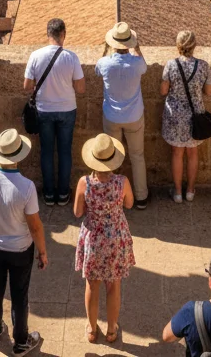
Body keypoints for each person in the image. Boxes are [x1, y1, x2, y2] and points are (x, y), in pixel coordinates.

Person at [0, 129, 49, 355]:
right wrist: (42, 252)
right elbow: (34, 226)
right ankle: (21, 342)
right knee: (19, 295)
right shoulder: (26, 187)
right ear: (19, 156)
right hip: (20, 250)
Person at [74, 133, 135, 344]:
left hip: (94, 239)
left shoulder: (84, 183)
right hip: (115, 237)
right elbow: (129, 204)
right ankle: (111, 330)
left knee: (92, 285)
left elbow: (77, 211)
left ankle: (92, 330)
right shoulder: (122, 182)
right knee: (114, 285)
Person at [23, 18, 85, 205]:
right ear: (63, 34)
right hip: (67, 110)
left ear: (48, 34)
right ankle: (64, 193)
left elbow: (27, 86)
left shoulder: (35, 55)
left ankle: (49, 194)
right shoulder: (71, 57)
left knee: (47, 152)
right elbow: (81, 88)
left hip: (44, 110)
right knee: (65, 151)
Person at [95, 22, 149, 208]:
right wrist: (138, 48)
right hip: (134, 116)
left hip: (112, 116)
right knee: (137, 156)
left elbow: (97, 69)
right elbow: (144, 66)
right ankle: (141, 197)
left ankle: (112, 197)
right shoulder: (137, 63)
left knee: (111, 157)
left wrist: (105, 49)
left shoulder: (105, 63)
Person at [160, 30, 211, 203]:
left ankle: (177, 192)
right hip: (195, 116)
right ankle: (190, 191)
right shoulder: (203, 66)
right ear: (194, 45)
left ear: (178, 46)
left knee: (177, 153)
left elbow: (163, 91)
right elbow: (210, 91)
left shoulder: (171, 65)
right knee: (192, 154)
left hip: (175, 116)